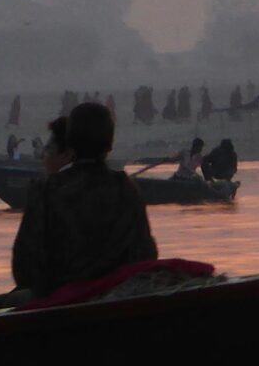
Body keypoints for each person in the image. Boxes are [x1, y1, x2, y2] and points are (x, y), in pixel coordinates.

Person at [12, 101, 156, 300]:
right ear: (110, 144)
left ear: (70, 144)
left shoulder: (45, 190)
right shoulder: (126, 188)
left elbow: (24, 266)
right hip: (118, 298)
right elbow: (146, 255)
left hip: (61, 302)